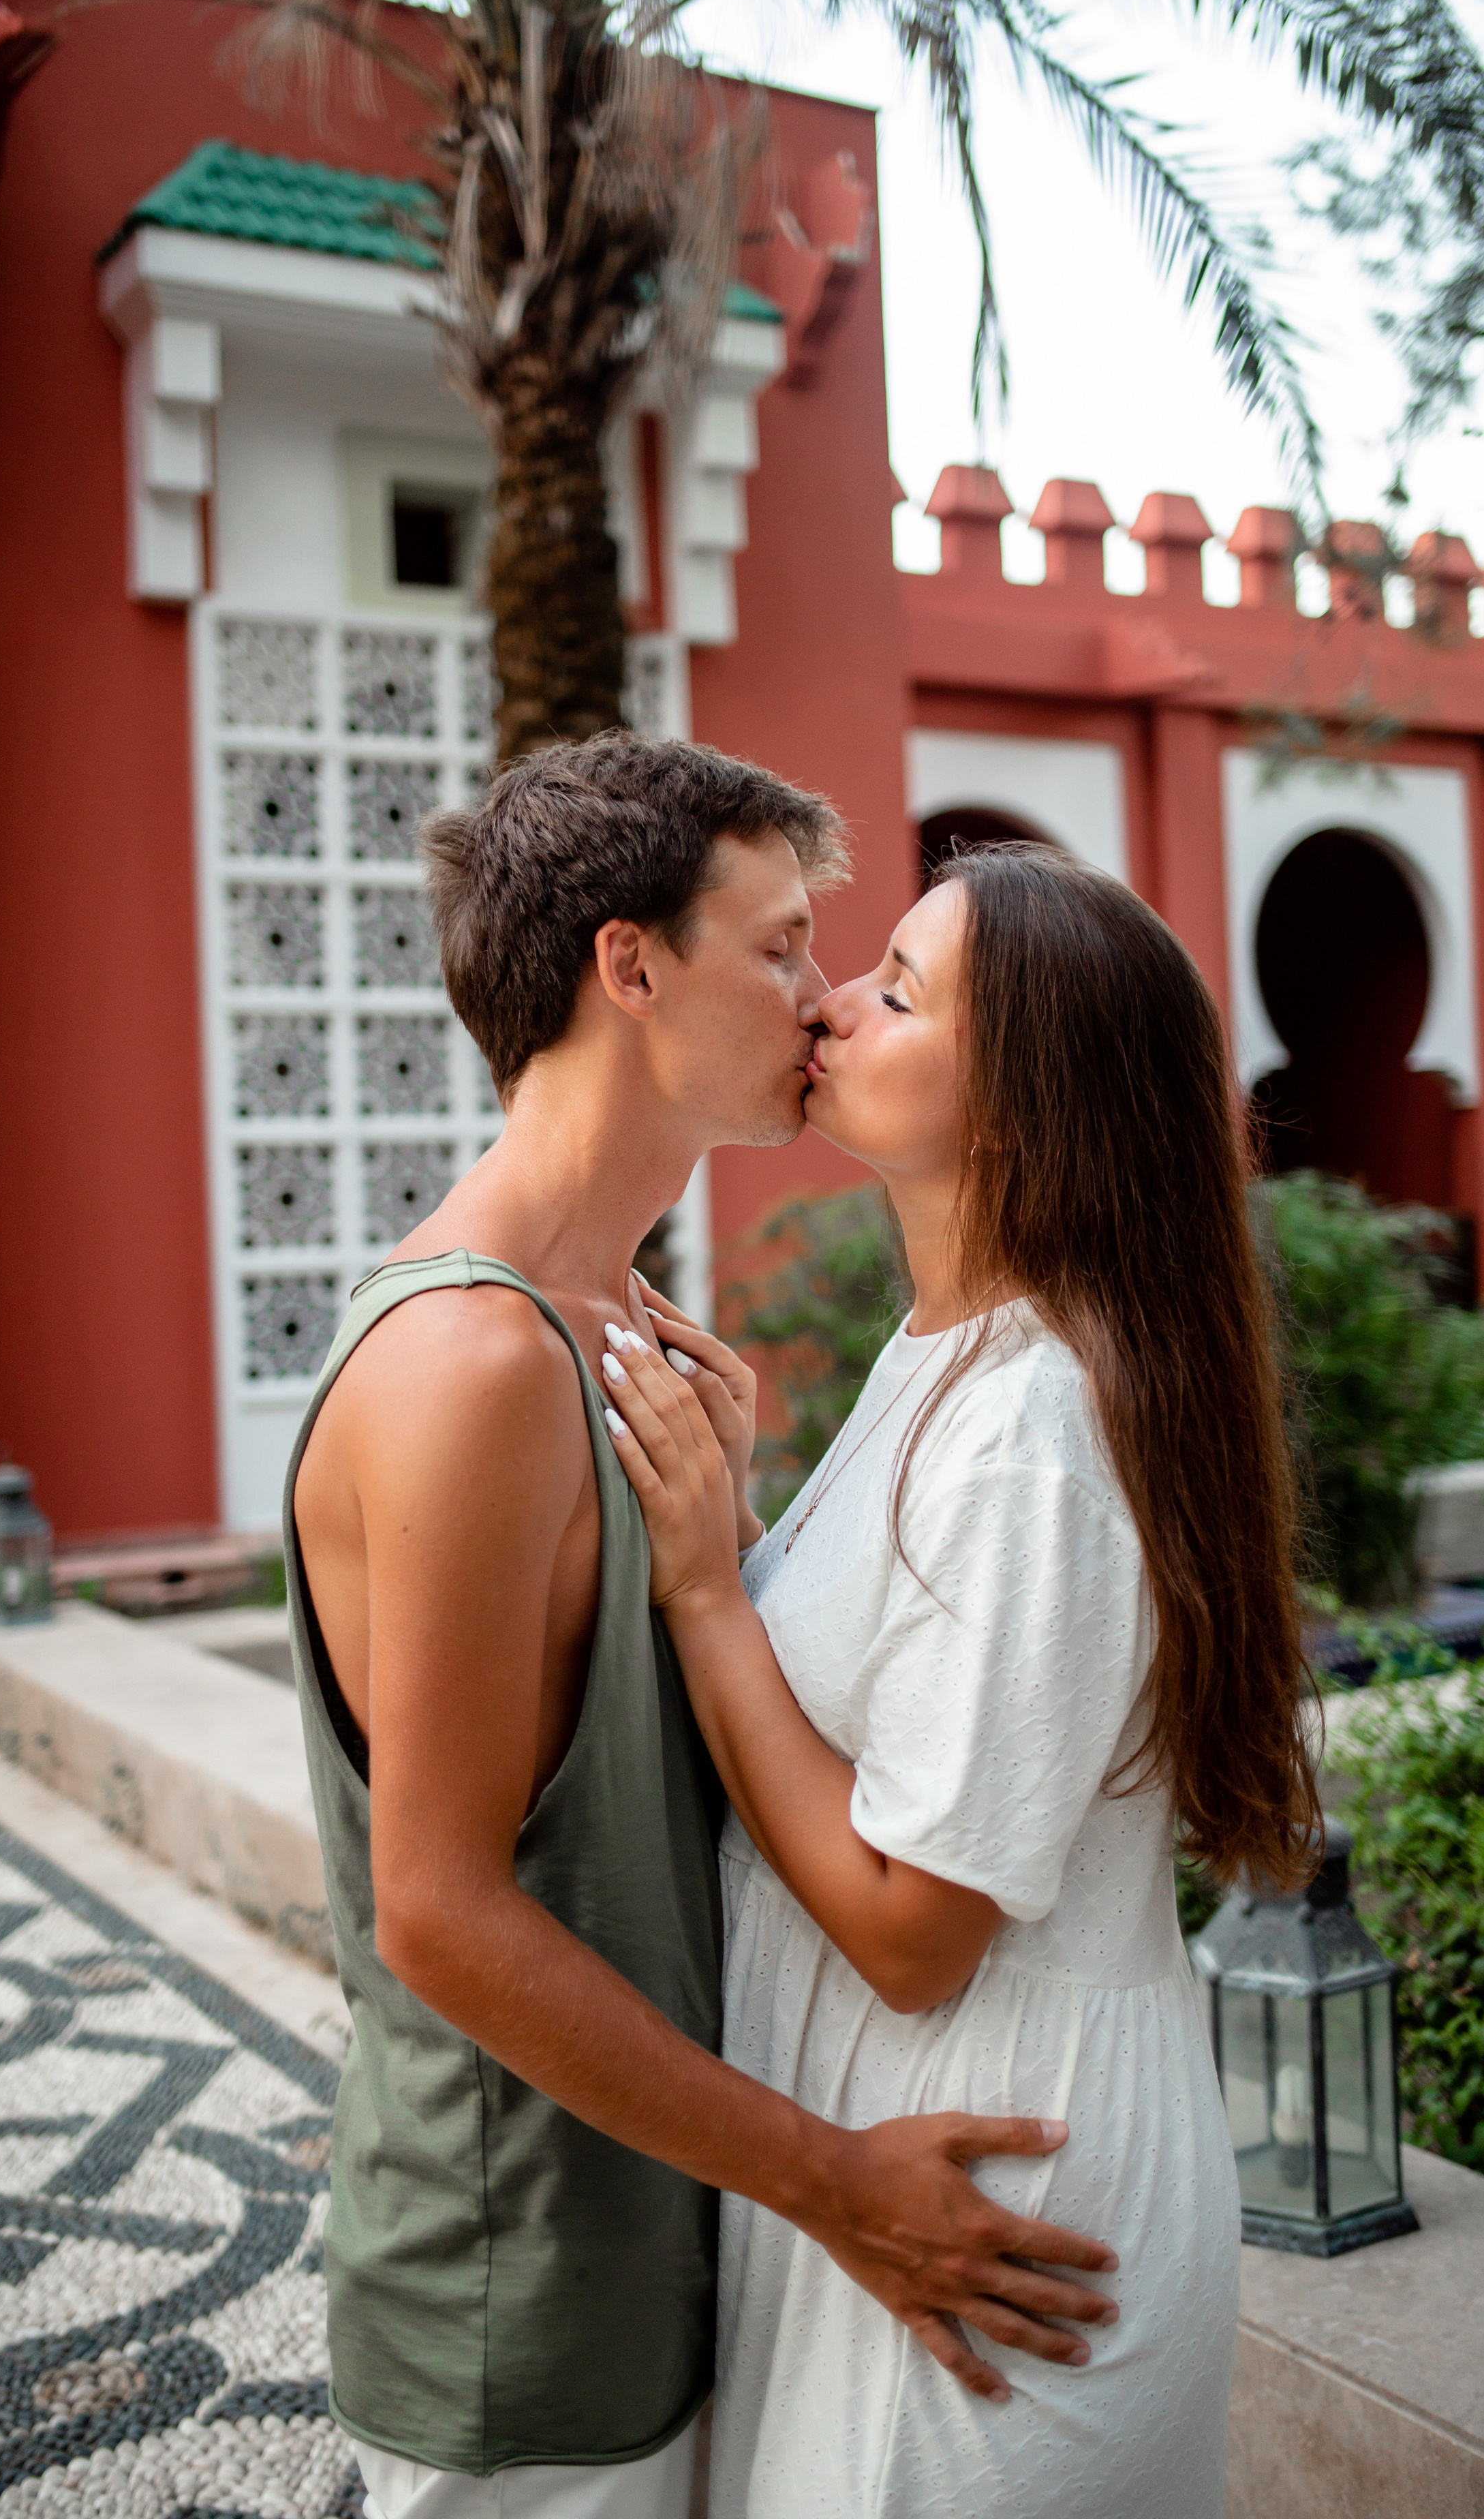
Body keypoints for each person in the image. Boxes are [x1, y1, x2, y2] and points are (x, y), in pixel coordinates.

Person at [283, 742, 1119, 2519]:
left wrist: (729, 1546)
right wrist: (836, 2181)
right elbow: (437, 1911)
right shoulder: (475, 1360)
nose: (823, 1001)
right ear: (631, 966)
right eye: (784, 947)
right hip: (526, 2310)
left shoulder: (623, 1334)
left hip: (667, 2261)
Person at [600, 841, 1320, 2519]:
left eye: (899, 992)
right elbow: (903, 1699)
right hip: (918, 2168)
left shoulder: (1028, 1436)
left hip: (996, 2206)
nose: (833, 1005)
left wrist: (708, 1585)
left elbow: (914, 1932)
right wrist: (752, 1516)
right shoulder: (958, 1354)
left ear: (1016, 1108)